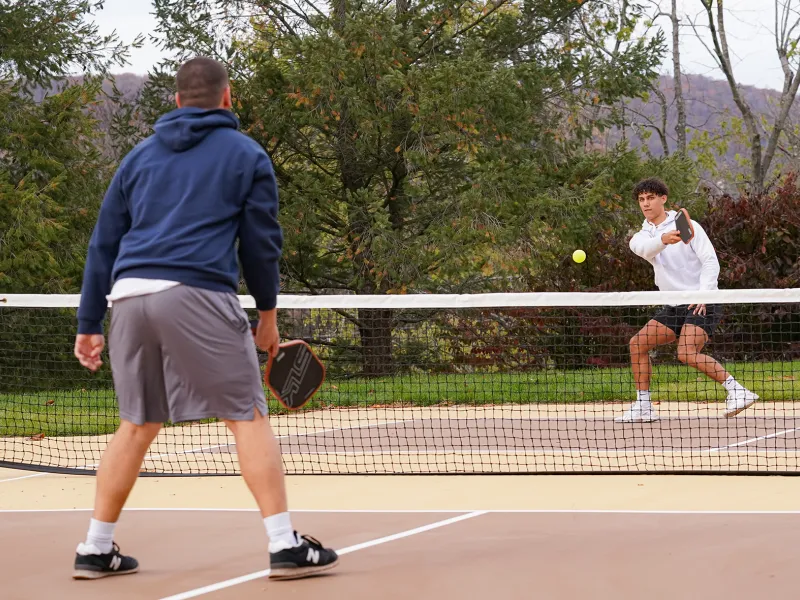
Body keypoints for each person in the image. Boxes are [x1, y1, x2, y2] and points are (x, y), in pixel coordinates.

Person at [71, 56, 338, 580]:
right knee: (246, 414)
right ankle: (284, 544)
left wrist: (87, 323)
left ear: (175, 101)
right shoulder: (246, 154)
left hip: (127, 296)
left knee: (137, 423)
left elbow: (103, 244)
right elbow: (261, 245)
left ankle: (95, 548)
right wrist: (267, 314)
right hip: (194, 291)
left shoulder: (138, 157)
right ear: (228, 97)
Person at [616, 177, 759, 423]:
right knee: (637, 344)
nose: (646, 204)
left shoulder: (690, 226)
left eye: (650, 198)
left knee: (686, 353)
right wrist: (664, 240)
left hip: (703, 300)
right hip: (674, 304)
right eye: (641, 200)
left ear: (663, 199)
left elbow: (710, 261)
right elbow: (645, 249)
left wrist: (703, 293)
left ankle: (738, 391)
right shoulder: (640, 236)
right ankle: (643, 406)